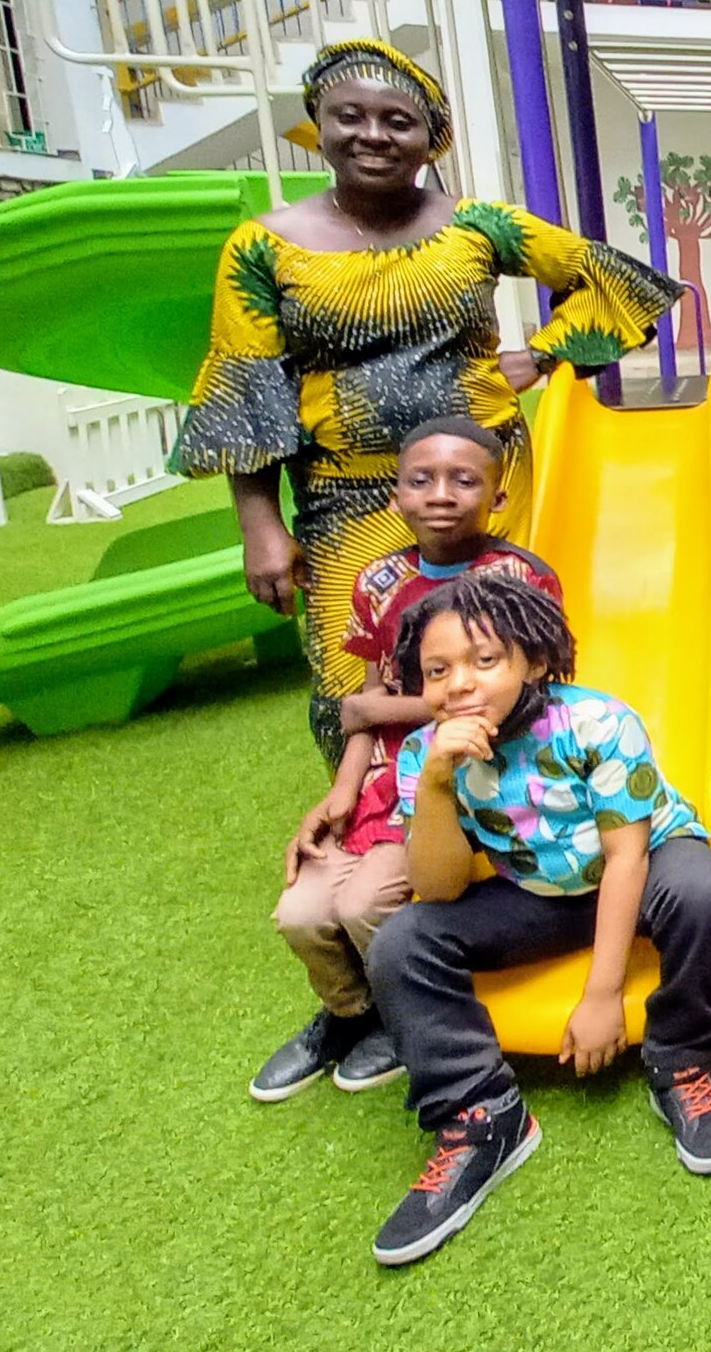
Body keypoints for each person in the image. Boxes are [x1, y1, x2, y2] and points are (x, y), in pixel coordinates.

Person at [173, 38, 677, 770]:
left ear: (429, 139)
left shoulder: (477, 226)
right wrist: (260, 523)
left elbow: (610, 278)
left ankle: (506, 812)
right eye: (350, 116)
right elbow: (247, 383)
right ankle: (380, 819)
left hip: (479, 484)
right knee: (360, 657)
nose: (372, 134)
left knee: (489, 644)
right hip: (347, 491)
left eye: (397, 121)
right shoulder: (264, 247)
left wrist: (543, 353)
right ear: (319, 122)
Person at [364, 575, 711, 1267]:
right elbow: (438, 887)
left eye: (485, 660)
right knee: (402, 942)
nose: (460, 684)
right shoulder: (425, 754)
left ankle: (683, 1058)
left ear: (533, 661)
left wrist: (603, 997)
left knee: (704, 888)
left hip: (645, 861)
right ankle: (481, 1115)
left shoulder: (597, 722)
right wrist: (441, 783)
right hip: (541, 893)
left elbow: (627, 857)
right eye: (438, 670)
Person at [253, 415, 562, 1104]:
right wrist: (340, 788)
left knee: (366, 902)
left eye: (463, 479)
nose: (441, 493)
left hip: (461, 772)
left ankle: (399, 1015)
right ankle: (348, 1013)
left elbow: (523, 696)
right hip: (378, 781)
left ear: (497, 495)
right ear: (395, 496)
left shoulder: (516, 578)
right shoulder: (380, 579)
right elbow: (364, 703)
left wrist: (383, 712)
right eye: (421, 479)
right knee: (302, 912)